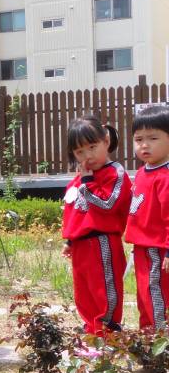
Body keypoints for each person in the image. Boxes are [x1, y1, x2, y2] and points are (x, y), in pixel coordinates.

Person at [62, 116, 131, 335]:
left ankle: (108, 330)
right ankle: (91, 330)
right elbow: (74, 211)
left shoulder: (115, 173)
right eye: (80, 152)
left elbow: (108, 204)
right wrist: (70, 239)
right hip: (81, 245)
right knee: (83, 290)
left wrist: (88, 183)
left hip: (103, 241)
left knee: (104, 288)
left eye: (92, 147)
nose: (87, 156)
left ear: (106, 141)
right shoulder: (81, 178)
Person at [125, 105, 169, 330]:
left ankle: (160, 343)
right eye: (138, 139)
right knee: (143, 295)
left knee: (155, 295)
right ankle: (146, 338)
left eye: (153, 138)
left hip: (157, 248)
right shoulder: (143, 172)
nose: (144, 144)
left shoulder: (165, 176)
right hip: (141, 247)